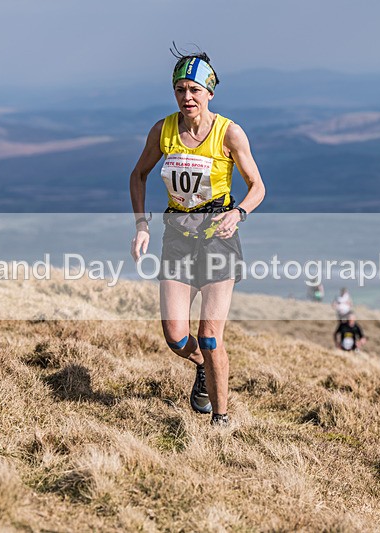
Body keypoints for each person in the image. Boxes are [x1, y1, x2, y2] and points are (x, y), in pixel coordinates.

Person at [129, 47, 266, 427]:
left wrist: (238, 213)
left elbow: (257, 187)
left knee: (209, 336)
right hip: (176, 236)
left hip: (218, 239)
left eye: (193, 89)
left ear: (209, 91)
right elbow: (137, 175)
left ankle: (220, 420)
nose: (186, 97)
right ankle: (204, 368)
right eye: (179, 90)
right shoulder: (163, 130)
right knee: (175, 337)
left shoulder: (229, 133)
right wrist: (142, 225)